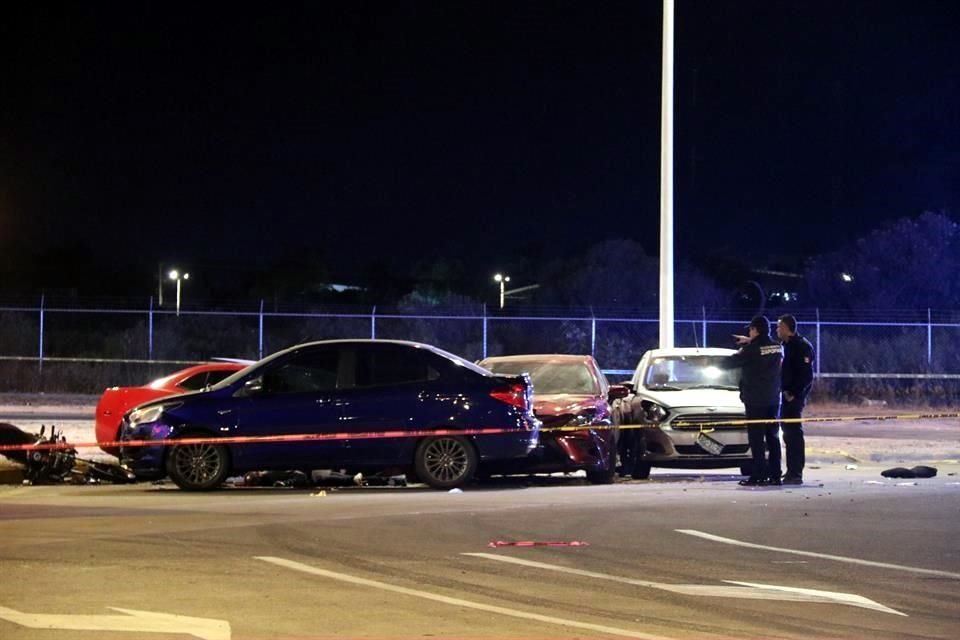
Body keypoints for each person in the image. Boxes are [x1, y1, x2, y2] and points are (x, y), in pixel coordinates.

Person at [721, 315, 783, 486]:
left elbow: (728, 364)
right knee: (772, 437)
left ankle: (759, 474)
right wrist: (750, 342)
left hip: (755, 400)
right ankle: (776, 475)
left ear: (754, 329)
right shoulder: (777, 347)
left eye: (751, 329)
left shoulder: (751, 350)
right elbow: (763, 349)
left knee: (756, 439)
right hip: (773, 399)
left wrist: (745, 347)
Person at [776, 314, 815, 485]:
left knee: (794, 434)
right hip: (785, 396)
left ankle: (796, 472)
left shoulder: (801, 346)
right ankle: (791, 470)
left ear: (786, 327)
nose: (777, 330)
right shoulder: (785, 346)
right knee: (788, 434)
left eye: (778, 327)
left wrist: (793, 392)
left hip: (794, 397)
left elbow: (806, 375)